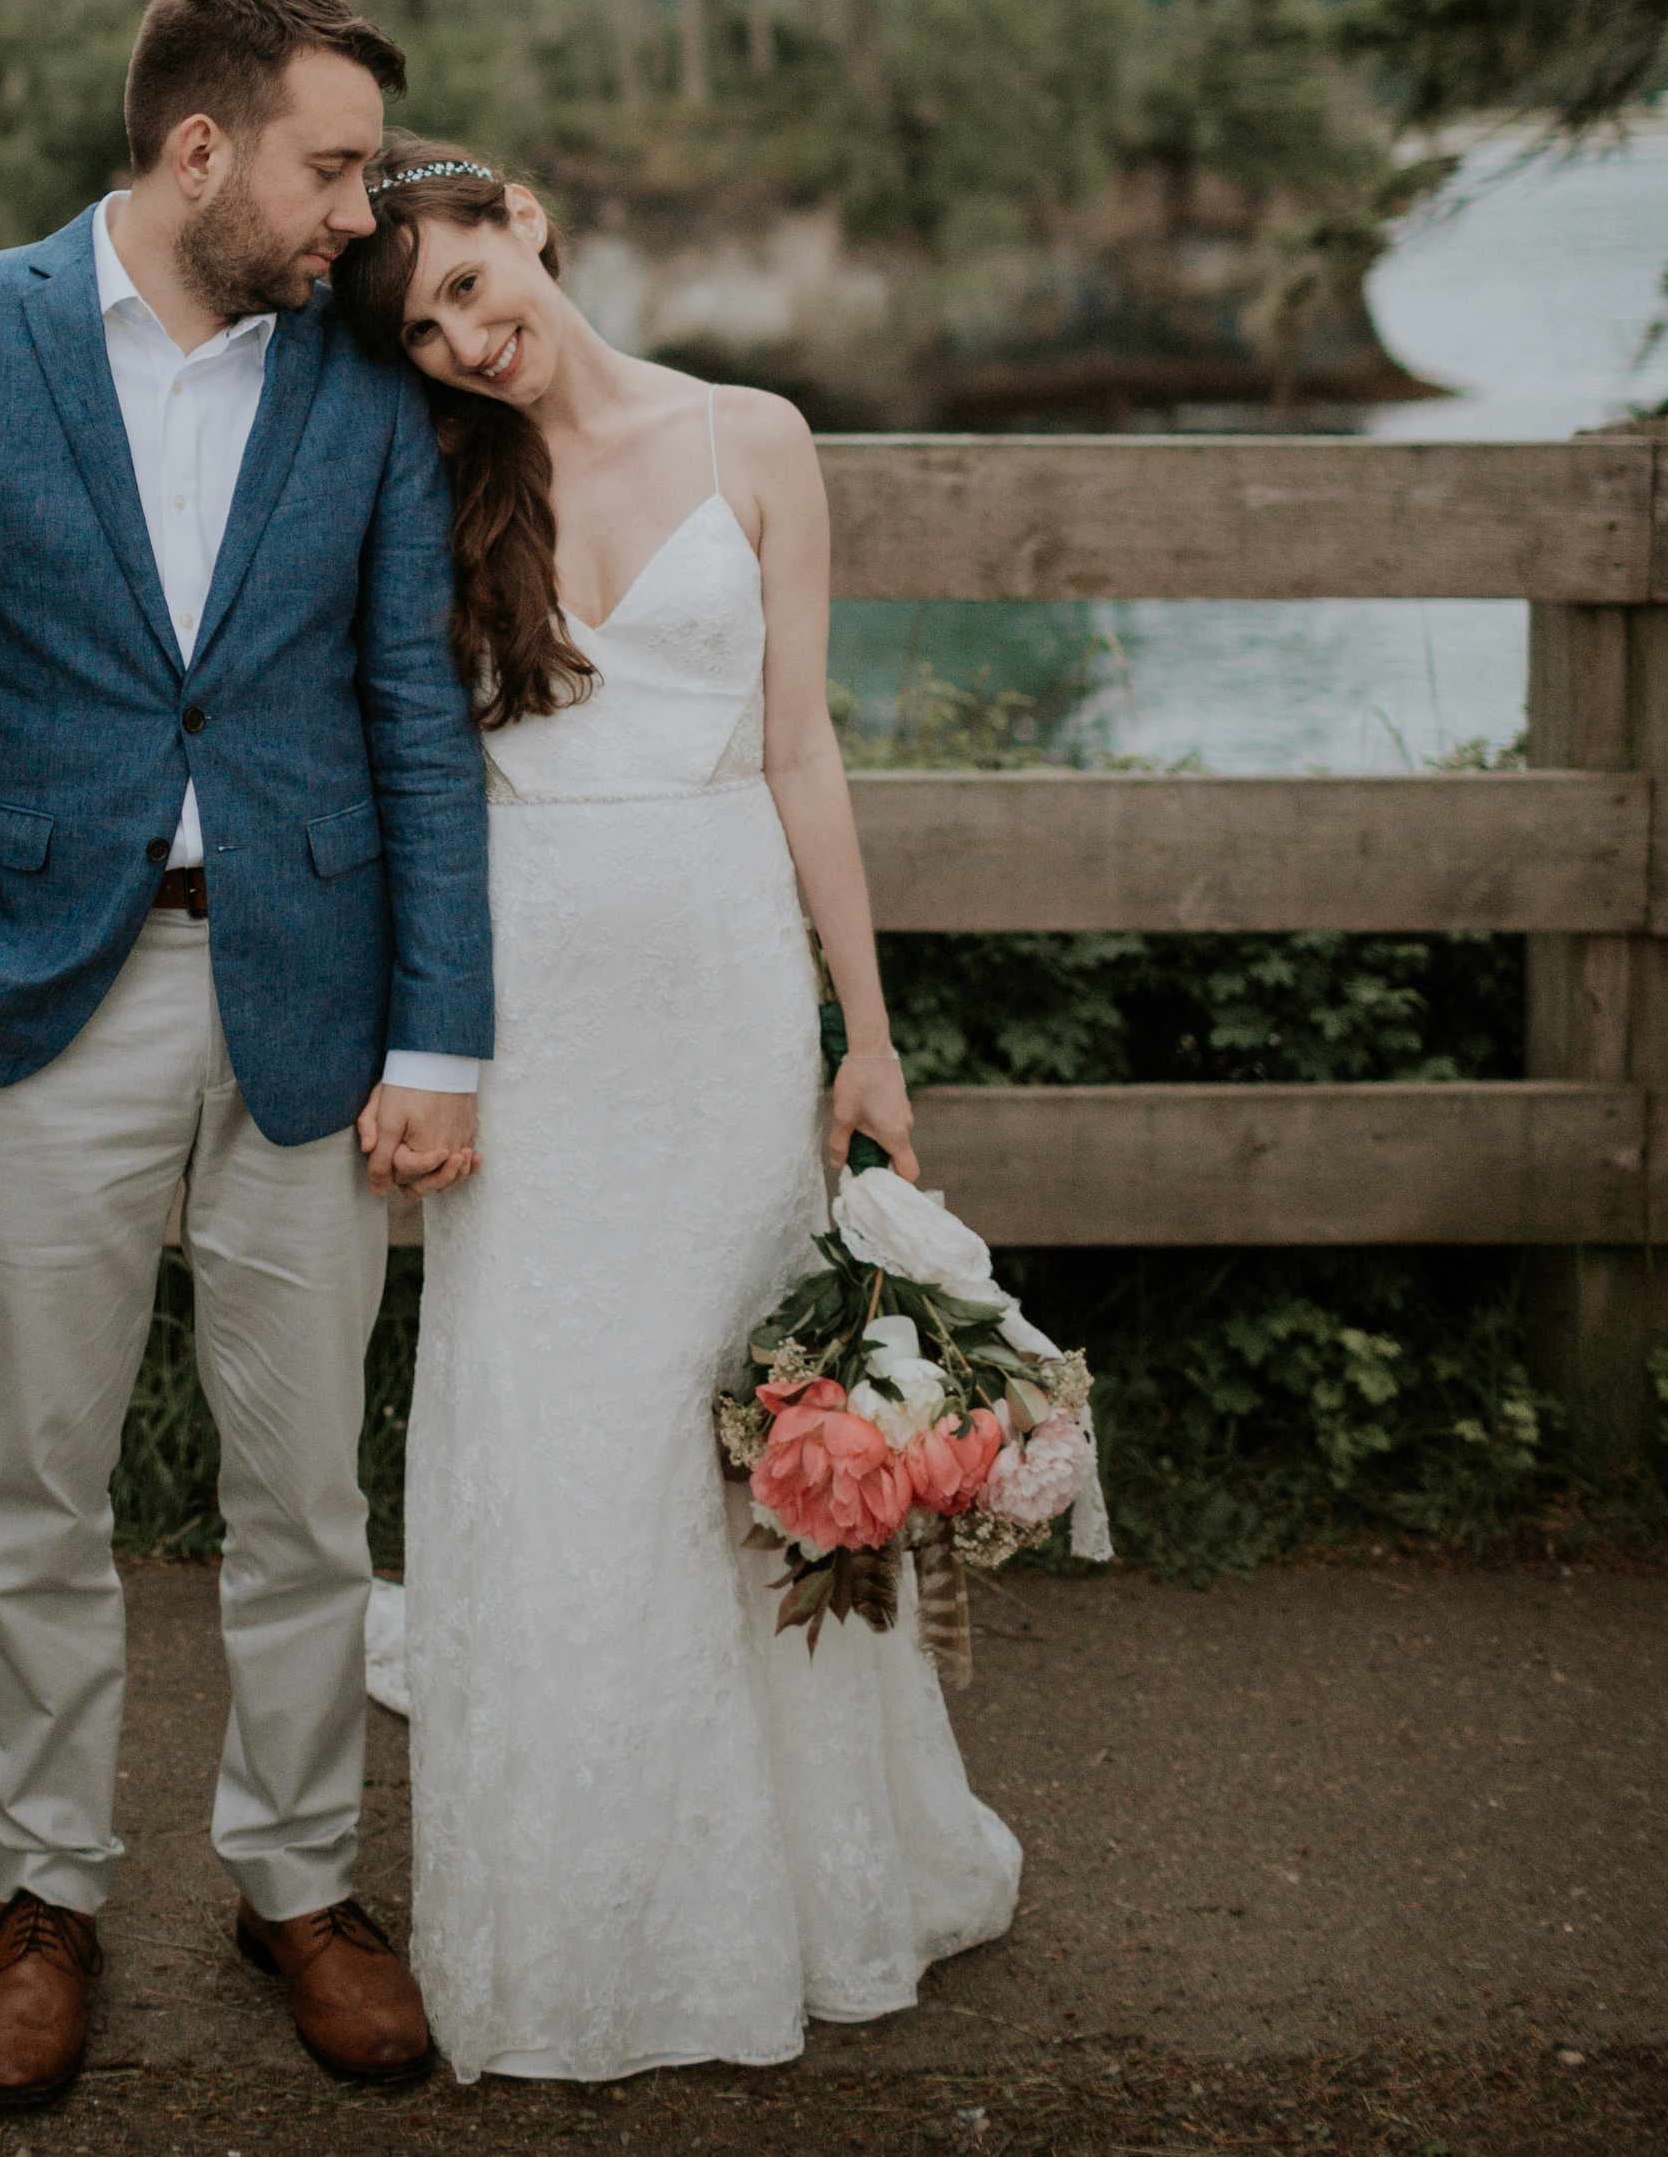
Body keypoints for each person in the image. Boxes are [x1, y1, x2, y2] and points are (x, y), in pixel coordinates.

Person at [0, 0, 493, 2114]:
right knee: (40, 1480)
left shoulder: (362, 379)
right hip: (28, 998)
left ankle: (295, 1879)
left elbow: (408, 714)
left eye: (364, 173)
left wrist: (439, 1034)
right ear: (199, 149)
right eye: (330, 164)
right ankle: (40, 1889)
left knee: (302, 1496)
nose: (355, 214)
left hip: (309, 997)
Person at [331, 143, 1021, 2087]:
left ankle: (797, 1889)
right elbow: (404, 774)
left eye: (472, 277)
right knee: (562, 1438)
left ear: (523, 215)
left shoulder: (758, 439)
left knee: (731, 1432)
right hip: (529, 1016)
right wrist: (417, 1045)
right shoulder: (432, 482)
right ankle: (581, 1907)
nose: (471, 338)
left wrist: (860, 1035)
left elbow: (800, 746)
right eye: (427, 330)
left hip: (723, 1000)